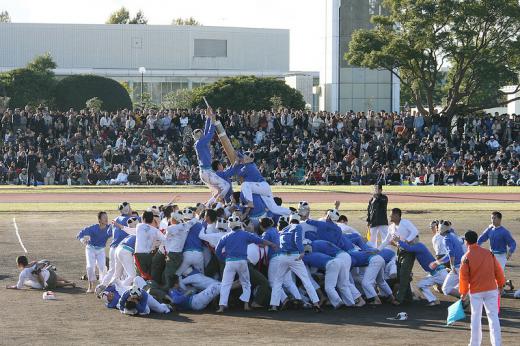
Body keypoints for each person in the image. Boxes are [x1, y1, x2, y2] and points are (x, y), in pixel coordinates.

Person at [215, 214, 278, 313]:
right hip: (242, 262)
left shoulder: (225, 236)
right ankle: (246, 305)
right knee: (246, 284)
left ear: (229, 225)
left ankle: (221, 307)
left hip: (230, 262)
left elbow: (217, 250)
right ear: (239, 224)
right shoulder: (245, 234)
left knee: (226, 284)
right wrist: (272, 244)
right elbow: (259, 240)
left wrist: (223, 258)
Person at [460, 230, 505, 346]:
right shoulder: (488, 253)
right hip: (491, 289)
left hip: (476, 292)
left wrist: (463, 293)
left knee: (475, 317)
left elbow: (464, 278)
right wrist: (501, 285)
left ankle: (474, 344)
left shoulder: (466, 257)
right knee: (493, 317)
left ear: (466, 242)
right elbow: (498, 270)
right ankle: (497, 344)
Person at [269, 213, 322, 312]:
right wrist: (302, 251)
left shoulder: (284, 229)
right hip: (294, 257)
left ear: (290, 220)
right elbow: (297, 239)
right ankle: (316, 304)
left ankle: (273, 305)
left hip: (283, 257)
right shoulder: (297, 226)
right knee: (306, 280)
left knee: (278, 281)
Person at [379, 208, 419, 305]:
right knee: (401, 275)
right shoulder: (391, 227)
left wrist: (406, 241)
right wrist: (377, 250)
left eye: (391, 215)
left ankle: (399, 299)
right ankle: (409, 297)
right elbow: (386, 241)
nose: (389, 216)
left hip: (409, 251)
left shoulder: (405, 223)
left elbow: (415, 231)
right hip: (400, 251)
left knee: (404, 273)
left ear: (397, 215)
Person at [193, 110, 230, 203]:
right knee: (226, 186)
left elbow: (206, 131)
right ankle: (218, 205)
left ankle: (208, 205)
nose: (201, 134)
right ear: (196, 136)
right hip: (207, 172)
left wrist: (209, 118)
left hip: (206, 172)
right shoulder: (200, 143)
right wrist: (212, 121)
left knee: (219, 191)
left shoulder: (201, 141)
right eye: (199, 134)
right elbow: (209, 134)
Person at [397, 239, 448, 306]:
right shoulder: (415, 247)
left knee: (451, 288)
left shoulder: (419, 245)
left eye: (411, 239)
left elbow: (408, 248)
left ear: (416, 238)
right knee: (421, 285)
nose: (409, 241)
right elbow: (406, 248)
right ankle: (433, 300)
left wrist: (398, 241)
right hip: (433, 274)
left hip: (440, 273)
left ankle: (465, 300)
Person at [76, 211, 111, 293]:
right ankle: (90, 286)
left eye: (107, 217)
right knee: (90, 266)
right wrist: (82, 240)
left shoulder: (109, 228)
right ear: (99, 220)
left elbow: (119, 230)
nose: (106, 219)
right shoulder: (93, 228)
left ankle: (103, 285)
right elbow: (79, 234)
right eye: (104, 217)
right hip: (90, 249)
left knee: (102, 267)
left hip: (101, 250)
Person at [478, 211, 516, 282]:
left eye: (494, 218)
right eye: (491, 218)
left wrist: (510, 252)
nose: (492, 220)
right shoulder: (489, 229)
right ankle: (506, 283)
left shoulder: (504, 232)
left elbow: (513, 243)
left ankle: (501, 290)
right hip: (491, 255)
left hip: (501, 256)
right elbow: (481, 239)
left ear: (499, 219)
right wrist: (476, 247)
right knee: (491, 273)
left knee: (497, 274)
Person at [6, 256, 75, 290]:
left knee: (25, 282)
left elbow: (18, 287)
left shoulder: (23, 273)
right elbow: (45, 263)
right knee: (49, 274)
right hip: (51, 273)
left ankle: (68, 284)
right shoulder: (34, 262)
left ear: (20, 264)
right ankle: (68, 281)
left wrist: (10, 287)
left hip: (47, 283)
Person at [134, 210, 165, 280]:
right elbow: (165, 240)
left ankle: (138, 288)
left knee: (139, 275)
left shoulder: (138, 226)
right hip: (149, 255)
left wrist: (122, 227)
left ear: (144, 219)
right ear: (152, 220)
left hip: (138, 254)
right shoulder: (155, 230)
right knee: (149, 275)